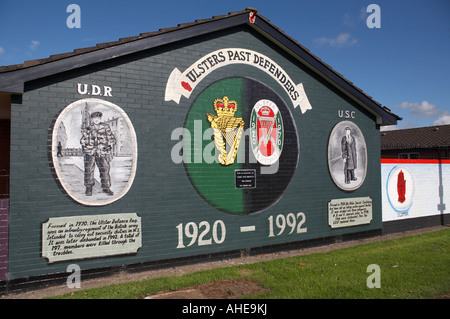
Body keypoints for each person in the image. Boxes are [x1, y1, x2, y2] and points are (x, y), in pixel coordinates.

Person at [80, 111, 116, 196]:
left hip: (102, 152)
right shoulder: (88, 128)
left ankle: (106, 187)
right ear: (92, 119)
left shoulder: (105, 127)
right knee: (88, 170)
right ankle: (88, 188)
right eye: (94, 118)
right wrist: (87, 149)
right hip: (90, 152)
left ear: (100, 119)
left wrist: (108, 147)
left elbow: (111, 138)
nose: (96, 120)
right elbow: (82, 140)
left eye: (98, 118)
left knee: (105, 169)